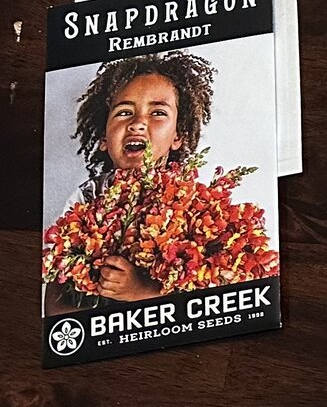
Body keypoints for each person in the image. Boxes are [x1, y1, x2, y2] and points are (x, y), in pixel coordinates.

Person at [54, 52, 218, 304]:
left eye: (158, 113)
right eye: (123, 112)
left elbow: (212, 295)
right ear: (103, 138)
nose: (138, 123)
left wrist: (142, 292)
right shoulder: (86, 199)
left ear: (178, 136)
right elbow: (56, 293)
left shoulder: (197, 207)